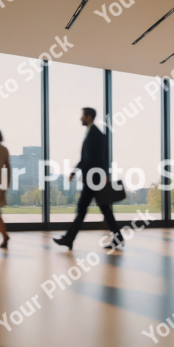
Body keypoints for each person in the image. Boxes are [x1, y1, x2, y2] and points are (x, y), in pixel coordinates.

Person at [53, 107, 123, 250]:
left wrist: (105, 174)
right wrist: (74, 172)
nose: (81, 119)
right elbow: (85, 158)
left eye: (83, 116)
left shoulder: (96, 134)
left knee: (83, 209)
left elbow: (102, 157)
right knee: (103, 210)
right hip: (94, 178)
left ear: (89, 117)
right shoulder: (92, 133)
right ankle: (118, 237)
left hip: (94, 179)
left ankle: (68, 239)